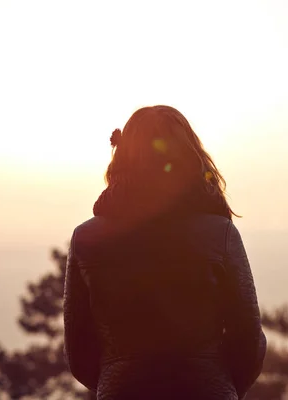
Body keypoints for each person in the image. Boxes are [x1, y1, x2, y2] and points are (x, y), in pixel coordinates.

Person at [63, 105, 267, 400]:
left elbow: (79, 354)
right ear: (190, 156)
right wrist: (218, 383)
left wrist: (119, 378)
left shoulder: (86, 238)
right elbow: (249, 341)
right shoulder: (219, 233)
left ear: (123, 157)